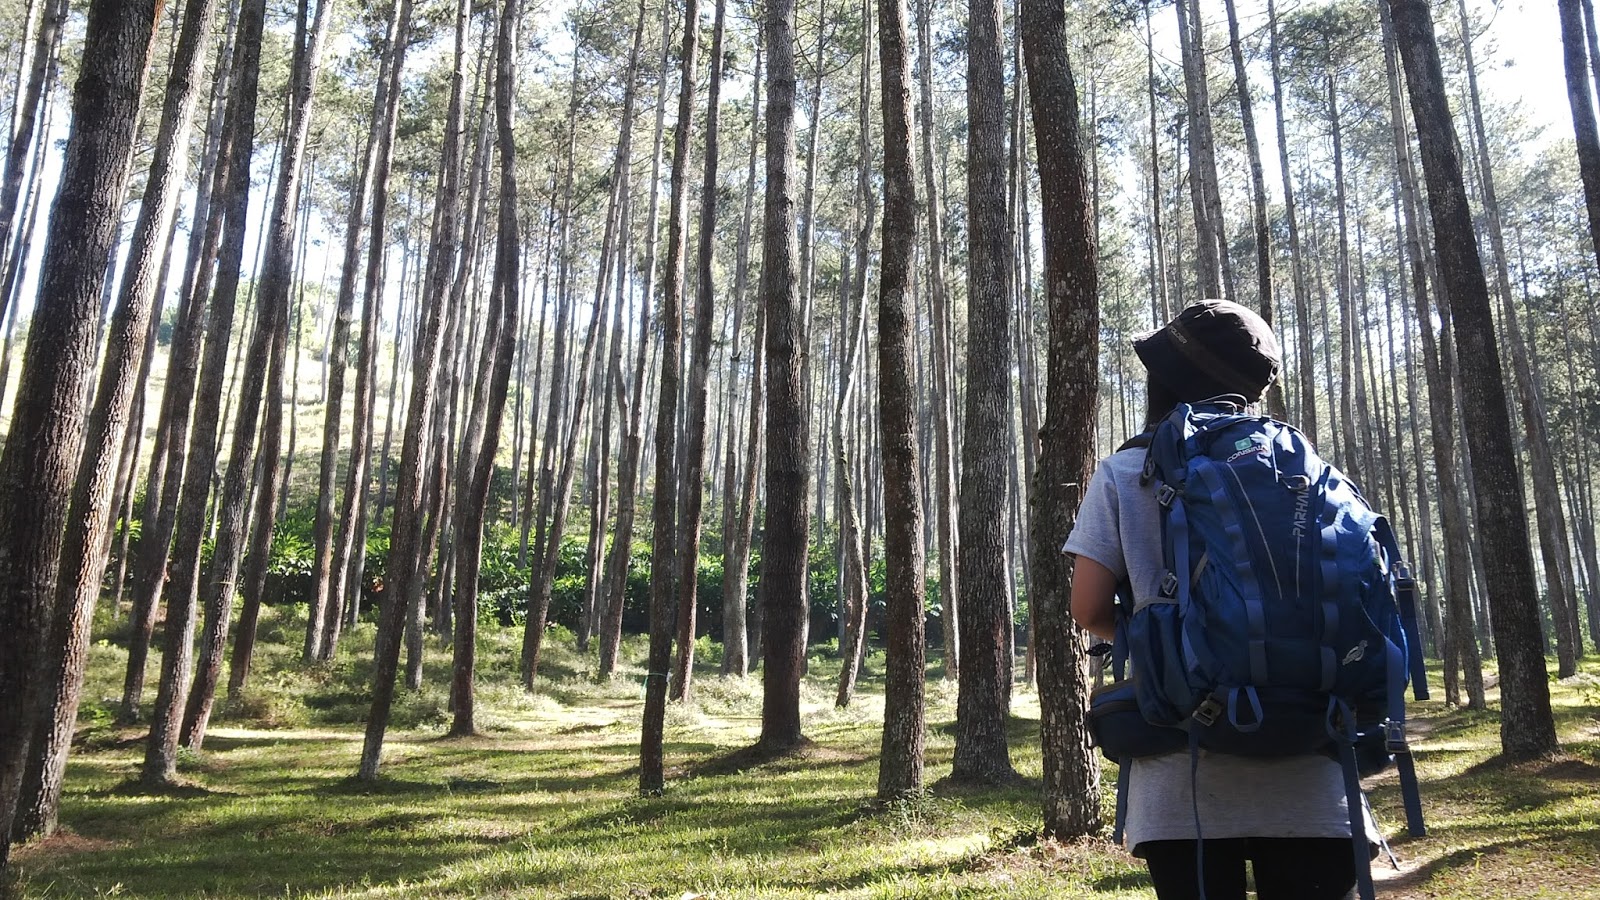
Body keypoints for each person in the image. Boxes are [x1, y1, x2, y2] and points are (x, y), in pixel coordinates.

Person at [1064, 299, 1378, 900]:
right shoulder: (1303, 468)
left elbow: (1087, 608)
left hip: (1182, 776)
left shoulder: (1130, 469)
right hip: (1317, 767)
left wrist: (1163, 643)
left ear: (1170, 378)